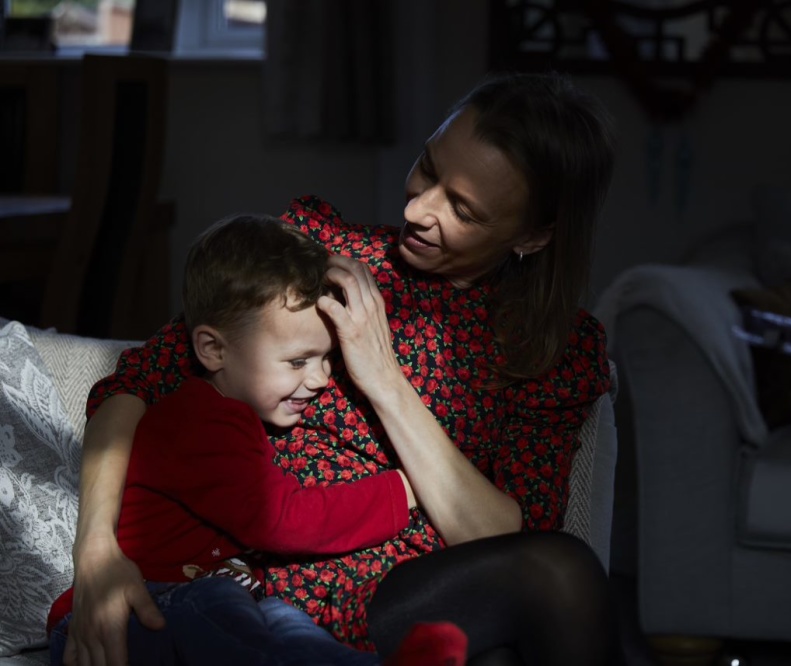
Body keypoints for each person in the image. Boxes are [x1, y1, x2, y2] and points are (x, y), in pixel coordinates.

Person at [66, 71, 619, 665]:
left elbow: (507, 538)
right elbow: (135, 386)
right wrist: (95, 552)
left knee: (556, 576)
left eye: (462, 208)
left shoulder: (555, 349)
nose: (417, 206)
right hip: (277, 585)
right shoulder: (319, 256)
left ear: (532, 238)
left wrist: (382, 375)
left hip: (420, 589)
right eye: (428, 167)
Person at [48, 214, 467, 665]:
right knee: (222, 605)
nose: (321, 379)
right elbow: (285, 520)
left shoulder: (234, 415)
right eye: (297, 361)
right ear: (213, 349)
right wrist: (399, 490)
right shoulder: (201, 422)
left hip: (197, 605)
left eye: (326, 358)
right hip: (132, 610)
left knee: (285, 619)